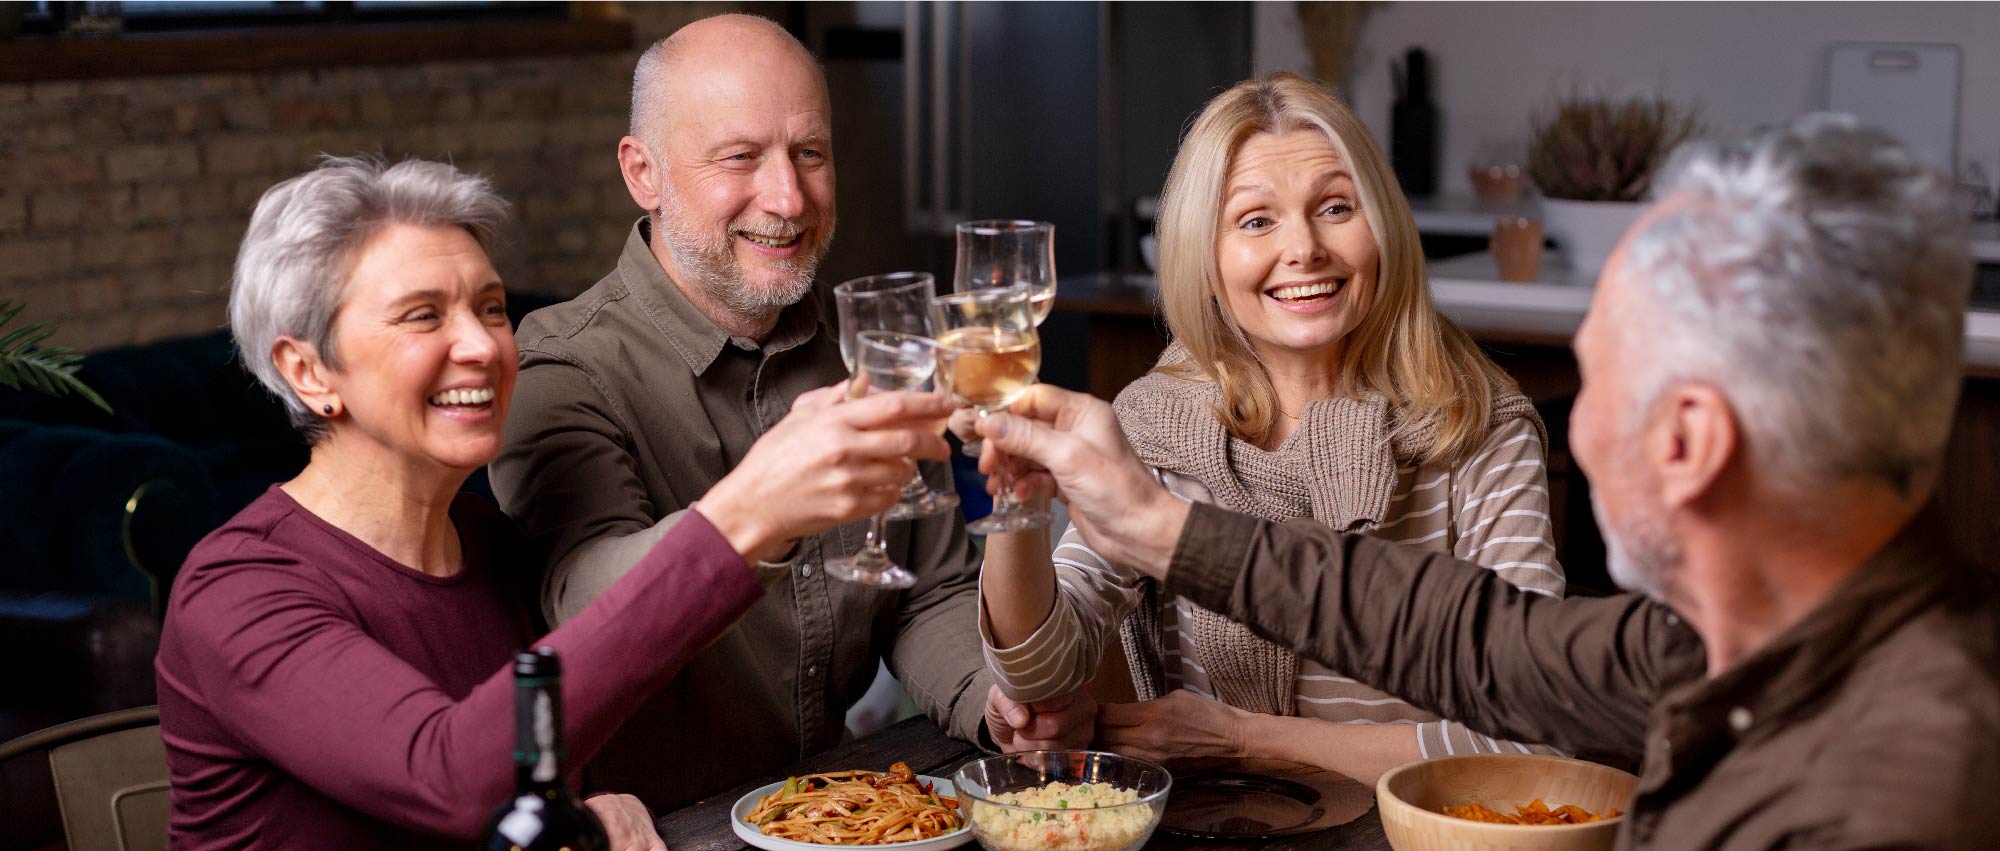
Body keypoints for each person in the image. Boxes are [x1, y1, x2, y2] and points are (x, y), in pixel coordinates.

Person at [975, 115, 2000, 848]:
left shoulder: (1890, 796)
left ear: (1688, 441)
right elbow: (1466, 633)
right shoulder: (1706, 645)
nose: (1574, 430)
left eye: (1598, 380)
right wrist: (1152, 524)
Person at [155, 156, 954, 851]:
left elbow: (539, 759)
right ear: (308, 372)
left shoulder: (488, 541)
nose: (481, 343)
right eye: (423, 315)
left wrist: (575, 803)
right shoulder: (239, 589)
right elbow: (450, 773)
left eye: (491, 307)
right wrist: (747, 512)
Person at [487, 14, 1087, 810]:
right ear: (644, 172)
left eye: (810, 154)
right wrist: (764, 505)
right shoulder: (561, 367)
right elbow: (579, 606)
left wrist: (994, 700)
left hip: (831, 809)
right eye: (740, 157)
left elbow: (927, 590)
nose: (788, 197)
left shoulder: (863, 352)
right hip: (658, 828)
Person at [976, 72, 1563, 783]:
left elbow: (1535, 739)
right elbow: (1043, 667)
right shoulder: (1158, 421)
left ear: (1383, 224)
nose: (1306, 248)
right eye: (1257, 220)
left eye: (1336, 207)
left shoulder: (1478, 426)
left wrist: (1242, 739)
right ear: (1207, 255)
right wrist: (1017, 507)